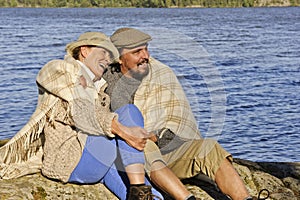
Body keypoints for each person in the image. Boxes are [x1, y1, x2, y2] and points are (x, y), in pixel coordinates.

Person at [103, 27, 270, 200]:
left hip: (167, 149)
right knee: (142, 145)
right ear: (120, 57)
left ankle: (245, 198)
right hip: (131, 158)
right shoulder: (104, 81)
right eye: (137, 51)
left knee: (209, 148)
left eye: (146, 49)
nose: (145, 56)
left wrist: (157, 135)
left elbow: (176, 124)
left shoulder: (161, 74)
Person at [0, 32, 163, 200]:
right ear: (85, 51)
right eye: (105, 53)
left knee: (150, 195)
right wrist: (123, 131)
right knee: (127, 112)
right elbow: (81, 112)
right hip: (72, 159)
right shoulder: (61, 69)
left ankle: (140, 191)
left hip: (96, 162)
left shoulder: (98, 87)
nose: (108, 60)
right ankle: (138, 187)